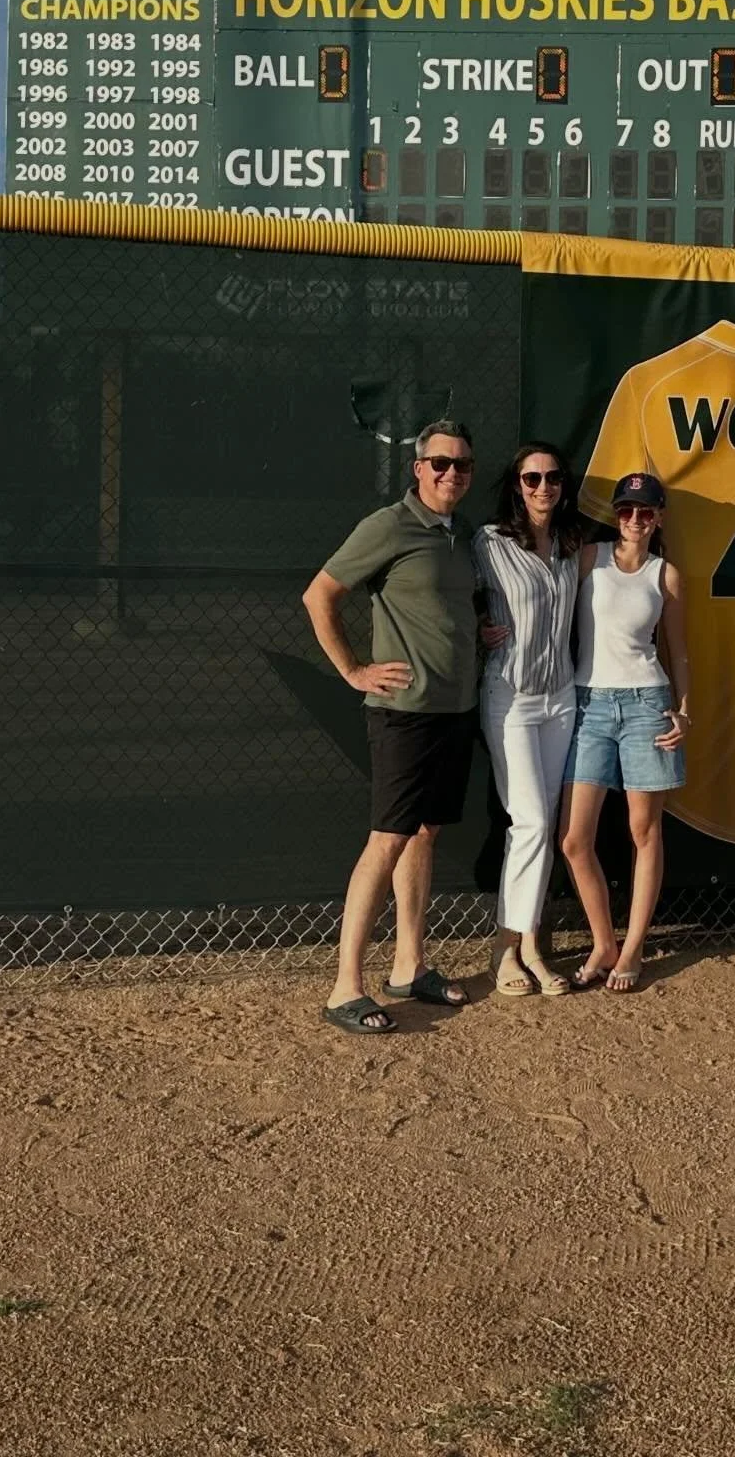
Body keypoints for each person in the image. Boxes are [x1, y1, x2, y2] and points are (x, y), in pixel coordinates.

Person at [303, 420, 479, 1033]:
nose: (450, 474)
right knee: (387, 838)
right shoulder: (388, 526)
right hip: (404, 714)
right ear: (418, 468)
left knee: (424, 834)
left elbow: (441, 610)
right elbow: (319, 595)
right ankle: (344, 987)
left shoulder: (462, 537)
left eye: (461, 465)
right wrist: (352, 669)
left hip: (456, 710)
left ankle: (408, 966)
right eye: (439, 464)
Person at [559, 472, 690, 994]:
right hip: (588, 703)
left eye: (645, 511)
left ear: (658, 518)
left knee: (644, 832)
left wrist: (685, 711)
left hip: (646, 705)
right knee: (573, 840)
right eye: (626, 510)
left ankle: (632, 947)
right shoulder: (588, 559)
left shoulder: (667, 575)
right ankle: (602, 942)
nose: (635, 520)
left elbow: (677, 650)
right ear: (616, 515)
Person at [474, 442, 581, 998]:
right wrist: (473, 624)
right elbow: (448, 592)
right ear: (517, 485)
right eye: (532, 478)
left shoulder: (571, 544)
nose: (543, 487)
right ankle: (505, 945)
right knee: (532, 822)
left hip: (560, 696)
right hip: (510, 696)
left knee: (545, 824)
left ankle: (532, 945)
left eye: (553, 477)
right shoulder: (489, 543)